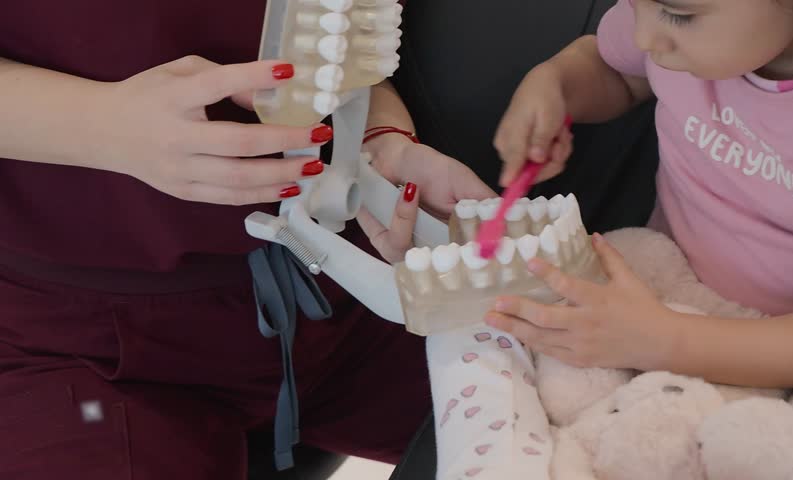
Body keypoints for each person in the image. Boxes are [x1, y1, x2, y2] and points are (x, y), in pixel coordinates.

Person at [0, 1, 495, 479]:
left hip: (341, 290)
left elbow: (347, 54)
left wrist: (376, 144)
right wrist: (102, 124)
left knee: (562, 414)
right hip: (76, 345)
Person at [487, 0, 793, 474]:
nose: (644, 37)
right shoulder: (669, 37)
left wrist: (662, 340)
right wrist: (555, 83)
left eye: (679, 15)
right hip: (659, 284)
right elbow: (616, 71)